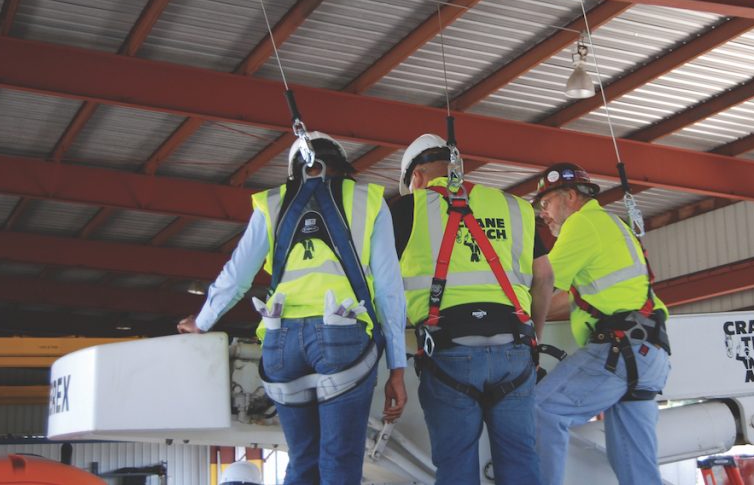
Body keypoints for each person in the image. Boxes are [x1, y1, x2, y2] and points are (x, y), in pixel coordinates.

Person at [178, 133, 407, 485]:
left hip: (279, 341)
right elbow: (390, 290)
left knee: (302, 460)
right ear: (343, 170)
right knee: (339, 462)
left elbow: (237, 274)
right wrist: (397, 367)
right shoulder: (368, 202)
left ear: (293, 171)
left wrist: (203, 322)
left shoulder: (271, 204)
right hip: (341, 338)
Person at [391, 133, 552, 485]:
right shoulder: (514, 207)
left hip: (448, 352)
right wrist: (534, 341)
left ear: (415, 178)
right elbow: (544, 277)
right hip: (515, 350)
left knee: (456, 466)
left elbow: (380, 286)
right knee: (522, 463)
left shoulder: (407, 208)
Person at [533, 162, 671, 485]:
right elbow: (573, 299)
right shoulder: (612, 225)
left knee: (539, 410)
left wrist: (519, 324)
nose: (544, 214)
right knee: (635, 471)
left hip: (619, 349)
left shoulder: (582, 226)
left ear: (569, 196)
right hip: (649, 351)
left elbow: (541, 283)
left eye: (546, 203)